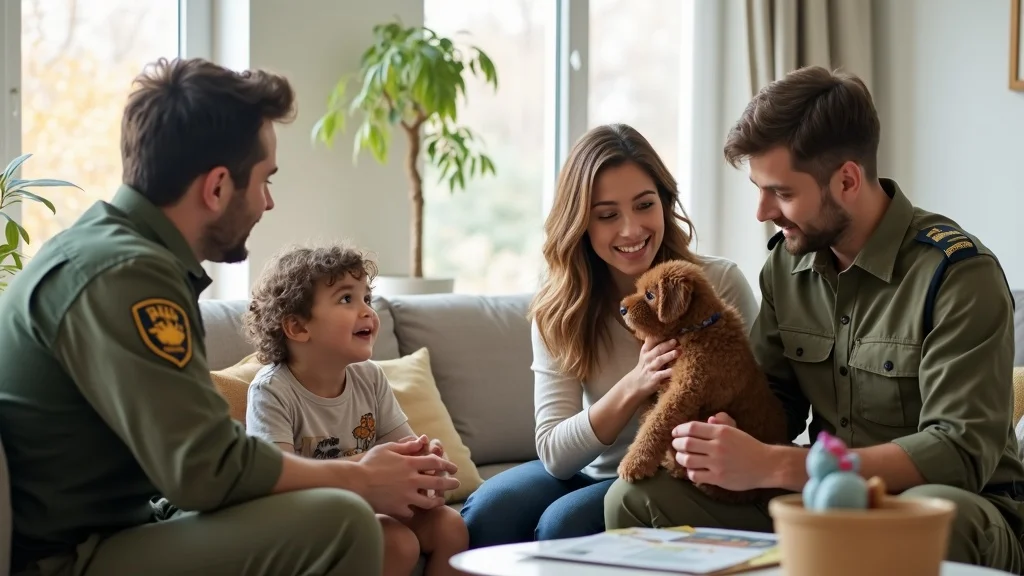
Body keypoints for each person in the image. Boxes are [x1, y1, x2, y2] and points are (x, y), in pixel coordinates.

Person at [0, 57, 459, 576]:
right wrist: (361, 479)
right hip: (75, 555)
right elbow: (204, 469)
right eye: (265, 180)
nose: (268, 203)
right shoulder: (127, 275)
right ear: (217, 187)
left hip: (129, 524)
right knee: (344, 520)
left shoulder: (112, 254)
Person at [603, 65, 1024, 572]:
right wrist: (725, 434)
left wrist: (780, 465)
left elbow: (958, 452)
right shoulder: (786, 267)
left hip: (951, 505)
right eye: (759, 189)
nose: (762, 212)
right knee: (634, 497)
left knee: (925, 519)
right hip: (816, 503)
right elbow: (771, 399)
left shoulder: (958, 276)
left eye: (781, 193)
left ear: (846, 180)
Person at [459, 124, 760, 548]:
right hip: (588, 469)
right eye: (607, 215)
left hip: (673, 473)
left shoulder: (716, 283)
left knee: (563, 525)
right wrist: (636, 383)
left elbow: (762, 403)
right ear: (580, 222)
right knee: (490, 513)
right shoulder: (560, 310)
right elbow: (556, 455)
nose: (631, 230)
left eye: (644, 205)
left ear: (665, 202)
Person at [243, 242, 470, 576]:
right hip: (306, 518)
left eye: (367, 298)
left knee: (449, 526)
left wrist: (424, 461)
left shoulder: (370, 377)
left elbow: (403, 447)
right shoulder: (272, 391)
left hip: (368, 505)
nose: (367, 312)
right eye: (346, 299)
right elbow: (276, 482)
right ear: (298, 327)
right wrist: (368, 469)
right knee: (396, 542)